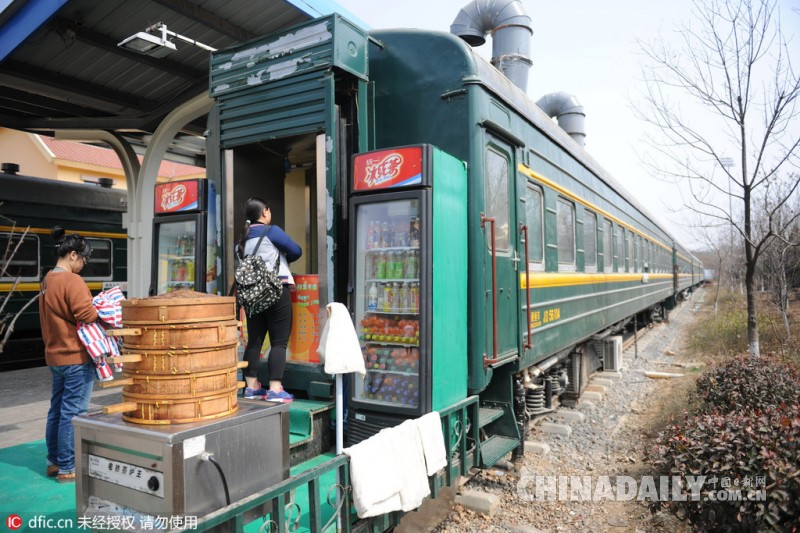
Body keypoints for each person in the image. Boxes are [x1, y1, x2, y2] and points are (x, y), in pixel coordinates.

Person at [40, 227, 97, 483]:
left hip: (55, 357)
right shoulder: (72, 281)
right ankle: (67, 466)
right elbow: (86, 314)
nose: (83, 265)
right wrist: (103, 308)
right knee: (74, 412)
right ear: (72, 255)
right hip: (75, 356)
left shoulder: (48, 279)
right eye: (83, 259)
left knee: (57, 410)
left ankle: (53, 461)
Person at [238, 197, 302, 402]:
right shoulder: (271, 231)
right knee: (279, 342)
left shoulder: (242, 239)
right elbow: (296, 250)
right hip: (275, 290)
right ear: (264, 212)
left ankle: (252, 387)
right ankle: (275, 389)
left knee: (255, 340)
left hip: (252, 295)